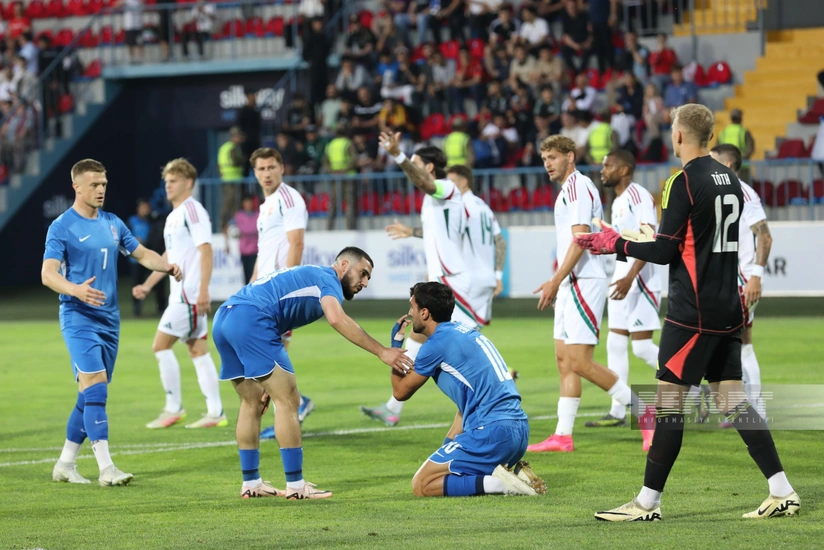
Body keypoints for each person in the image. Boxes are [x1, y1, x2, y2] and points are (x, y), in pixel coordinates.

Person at [576, 104, 799, 521]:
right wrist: (647, 237)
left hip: (692, 312)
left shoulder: (681, 181)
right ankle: (782, 490)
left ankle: (647, 503)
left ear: (678, 135)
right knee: (733, 399)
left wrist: (615, 244)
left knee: (668, 405)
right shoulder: (730, 179)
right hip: (727, 305)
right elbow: (693, 239)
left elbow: (665, 251)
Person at [213, 248, 413, 499]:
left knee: (251, 402)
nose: (364, 283)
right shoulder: (328, 279)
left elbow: (275, 310)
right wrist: (382, 351)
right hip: (252, 319)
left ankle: (251, 483)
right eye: (363, 273)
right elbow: (336, 318)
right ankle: (296, 487)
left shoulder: (310, 274)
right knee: (288, 401)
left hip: (225, 317)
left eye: (368, 278)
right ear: (343, 265)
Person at [44, 159, 182, 486]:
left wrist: (166, 266)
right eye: (94, 184)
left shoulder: (112, 223)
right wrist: (75, 290)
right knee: (96, 387)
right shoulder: (62, 226)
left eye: (103, 184)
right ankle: (107, 468)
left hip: (109, 321)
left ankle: (65, 464)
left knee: (88, 393)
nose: (101, 189)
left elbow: (142, 253)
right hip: (78, 317)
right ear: (77, 187)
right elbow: (48, 274)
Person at [528, 135, 653, 453]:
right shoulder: (568, 190)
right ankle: (563, 436)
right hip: (571, 281)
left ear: (570, 156)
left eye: (553, 157)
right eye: (544, 159)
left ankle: (644, 412)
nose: (548, 164)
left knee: (581, 362)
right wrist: (559, 282)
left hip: (584, 280)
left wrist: (555, 280)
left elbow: (581, 239)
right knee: (564, 360)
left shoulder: (577, 186)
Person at [390, 282, 545, 498]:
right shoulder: (465, 332)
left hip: (491, 433)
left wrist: (395, 347)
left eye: (412, 307)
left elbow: (400, 392)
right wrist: (446, 448)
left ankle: (498, 483)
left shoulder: (435, 345)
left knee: (422, 484)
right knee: (449, 472)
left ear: (424, 313)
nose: (410, 312)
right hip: (518, 433)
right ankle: (515, 476)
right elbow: (466, 407)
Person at [360, 133, 473, 427]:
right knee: (417, 335)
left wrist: (398, 155)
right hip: (441, 278)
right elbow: (438, 232)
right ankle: (392, 408)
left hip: (454, 281)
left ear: (430, 167)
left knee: (465, 349)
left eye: (416, 162)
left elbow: (424, 183)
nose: (412, 167)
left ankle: (490, 397)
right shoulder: (432, 200)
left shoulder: (446, 187)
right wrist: (413, 234)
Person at [132, 159, 225, 429]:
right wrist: (149, 285)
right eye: (166, 181)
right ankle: (215, 412)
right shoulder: (175, 215)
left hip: (189, 295)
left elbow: (206, 251)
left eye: (173, 181)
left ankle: (173, 408)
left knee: (160, 346)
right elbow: (169, 256)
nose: (168, 186)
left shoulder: (193, 211)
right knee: (198, 350)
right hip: (184, 295)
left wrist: (204, 290)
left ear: (188, 183)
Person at [585, 149, 661, 428]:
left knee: (641, 347)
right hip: (622, 278)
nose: (602, 170)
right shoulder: (618, 200)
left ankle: (692, 387)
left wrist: (630, 276)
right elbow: (626, 243)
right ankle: (618, 411)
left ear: (625, 169)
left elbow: (649, 238)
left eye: (608, 166)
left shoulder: (638, 195)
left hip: (640, 280)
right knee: (615, 343)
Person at [243, 148, 312, 440]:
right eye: (261, 169)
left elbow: (296, 243)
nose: (267, 173)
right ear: (255, 172)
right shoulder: (267, 205)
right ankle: (297, 403)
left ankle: (292, 408)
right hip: (264, 290)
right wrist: (251, 284)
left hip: (280, 291)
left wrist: (287, 286)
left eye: (271, 167)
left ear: (282, 168)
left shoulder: (289, 198)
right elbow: (265, 250)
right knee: (269, 356)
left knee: (267, 356)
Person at [710, 143, 772, 420]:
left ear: (726, 165)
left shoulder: (743, 193)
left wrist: (756, 276)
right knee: (740, 344)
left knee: (734, 345)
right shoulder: (721, 192)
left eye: (713, 162)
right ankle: (744, 407)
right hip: (729, 281)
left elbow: (765, 236)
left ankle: (755, 409)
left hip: (741, 282)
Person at [448, 164, 507, 309]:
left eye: (451, 182)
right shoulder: (484, 207)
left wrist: (411, 232)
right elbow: (501, 243)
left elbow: (445, 233)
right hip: (487, 280)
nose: (448, 187)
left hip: (468, 280)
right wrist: (498, 276)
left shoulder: (460, 206)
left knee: (452, 320)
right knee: (475, 323)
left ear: (464, 182)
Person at [127, 198, 152, 317]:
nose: (145, 210)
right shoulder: (132, 221)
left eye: (146, 208)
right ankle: (137, 309)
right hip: (135, 259)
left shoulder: (151, 222)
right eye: (143, 207)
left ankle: (161, 307)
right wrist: (134, 241)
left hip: (149, 258)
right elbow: (125, 237)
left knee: (155, 282)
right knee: (136, 283)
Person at [717, 109, 755, 183]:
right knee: (742, 187)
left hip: (726, 167)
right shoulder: (743, 131)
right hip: (742, 167)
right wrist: (739, 159)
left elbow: (717, 149)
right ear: (741, 118)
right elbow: (750, 148)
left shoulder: (723, 132)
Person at [219, 126, 246, 230]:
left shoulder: (224, 147)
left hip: (226, 179)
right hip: (233, 180)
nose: (241, 138)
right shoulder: (233, 148)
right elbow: (236, 162)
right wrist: (244, 159)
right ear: (234, 137)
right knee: (234, 204)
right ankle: (232, 226)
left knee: (228, 204)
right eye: (239, 136)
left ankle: (225, 226)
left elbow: (219, 166)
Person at [231, 194, 259, 284]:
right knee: (246, 274)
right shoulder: (239, 216)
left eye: (250, 202)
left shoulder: (258, 215)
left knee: (255, 274)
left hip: (256, 250)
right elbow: (229, 228)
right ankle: (248, 291)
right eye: (246, 202)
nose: (248, 204)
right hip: (245, 251)